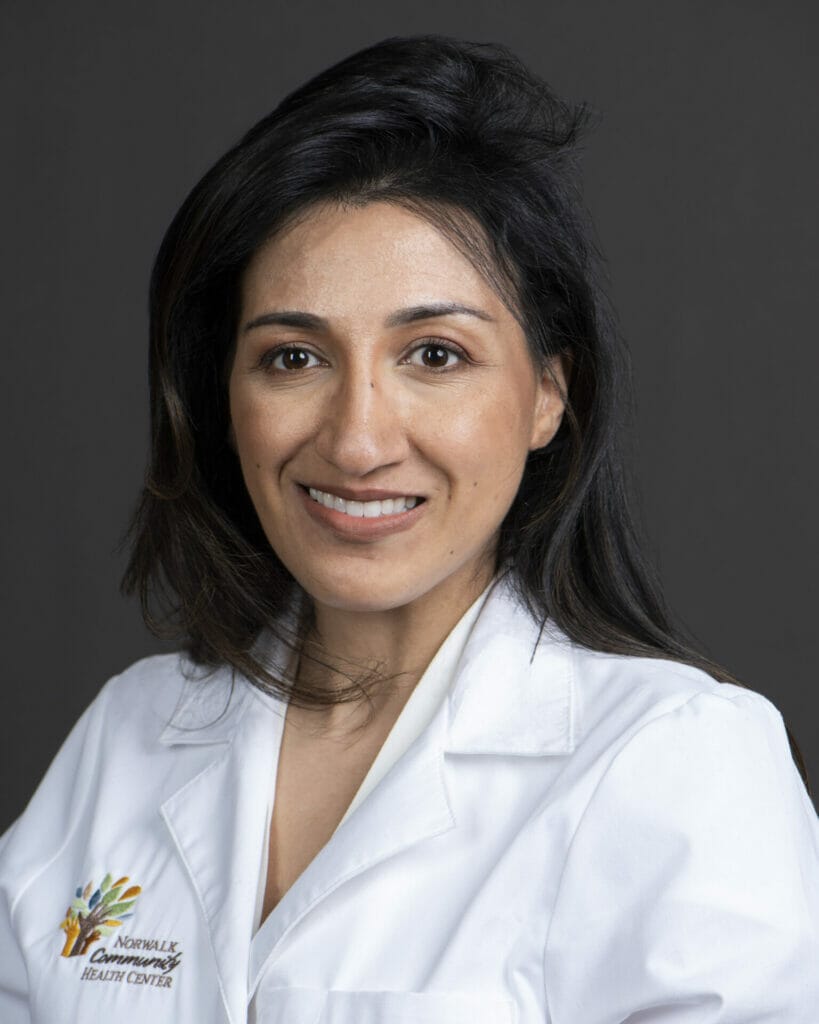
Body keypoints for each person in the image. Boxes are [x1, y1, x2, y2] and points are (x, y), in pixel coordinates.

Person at [1, 33, 817, 1024]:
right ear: (224, 396)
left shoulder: (674, 763)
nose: (356, 441)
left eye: (434, 354)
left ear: (548, 395)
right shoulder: (128, 735)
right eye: (293, 358)